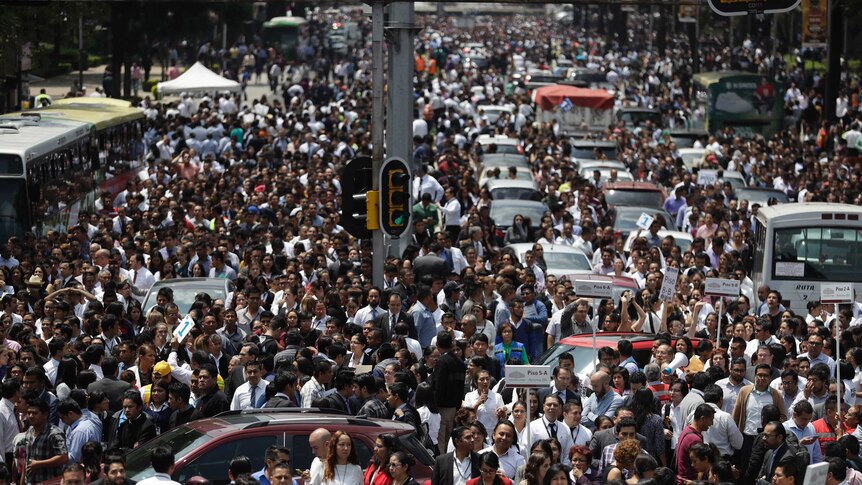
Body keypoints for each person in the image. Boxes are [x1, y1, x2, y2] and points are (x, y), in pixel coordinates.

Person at [24, 398, 68, 485]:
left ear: (45, 415)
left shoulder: (54, 433)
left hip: (49, 481)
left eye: (35, 413)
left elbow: (63, 457)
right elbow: (27, 460)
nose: (31, 416)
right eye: (29, 413)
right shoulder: (30, 430)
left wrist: (39, 464)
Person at [675, 403, 715, 485]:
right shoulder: (694, 439)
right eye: (710, 420)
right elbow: (701, 467)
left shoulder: (687, 430)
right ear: (702, 419)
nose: (711, 424)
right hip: (689, 481)